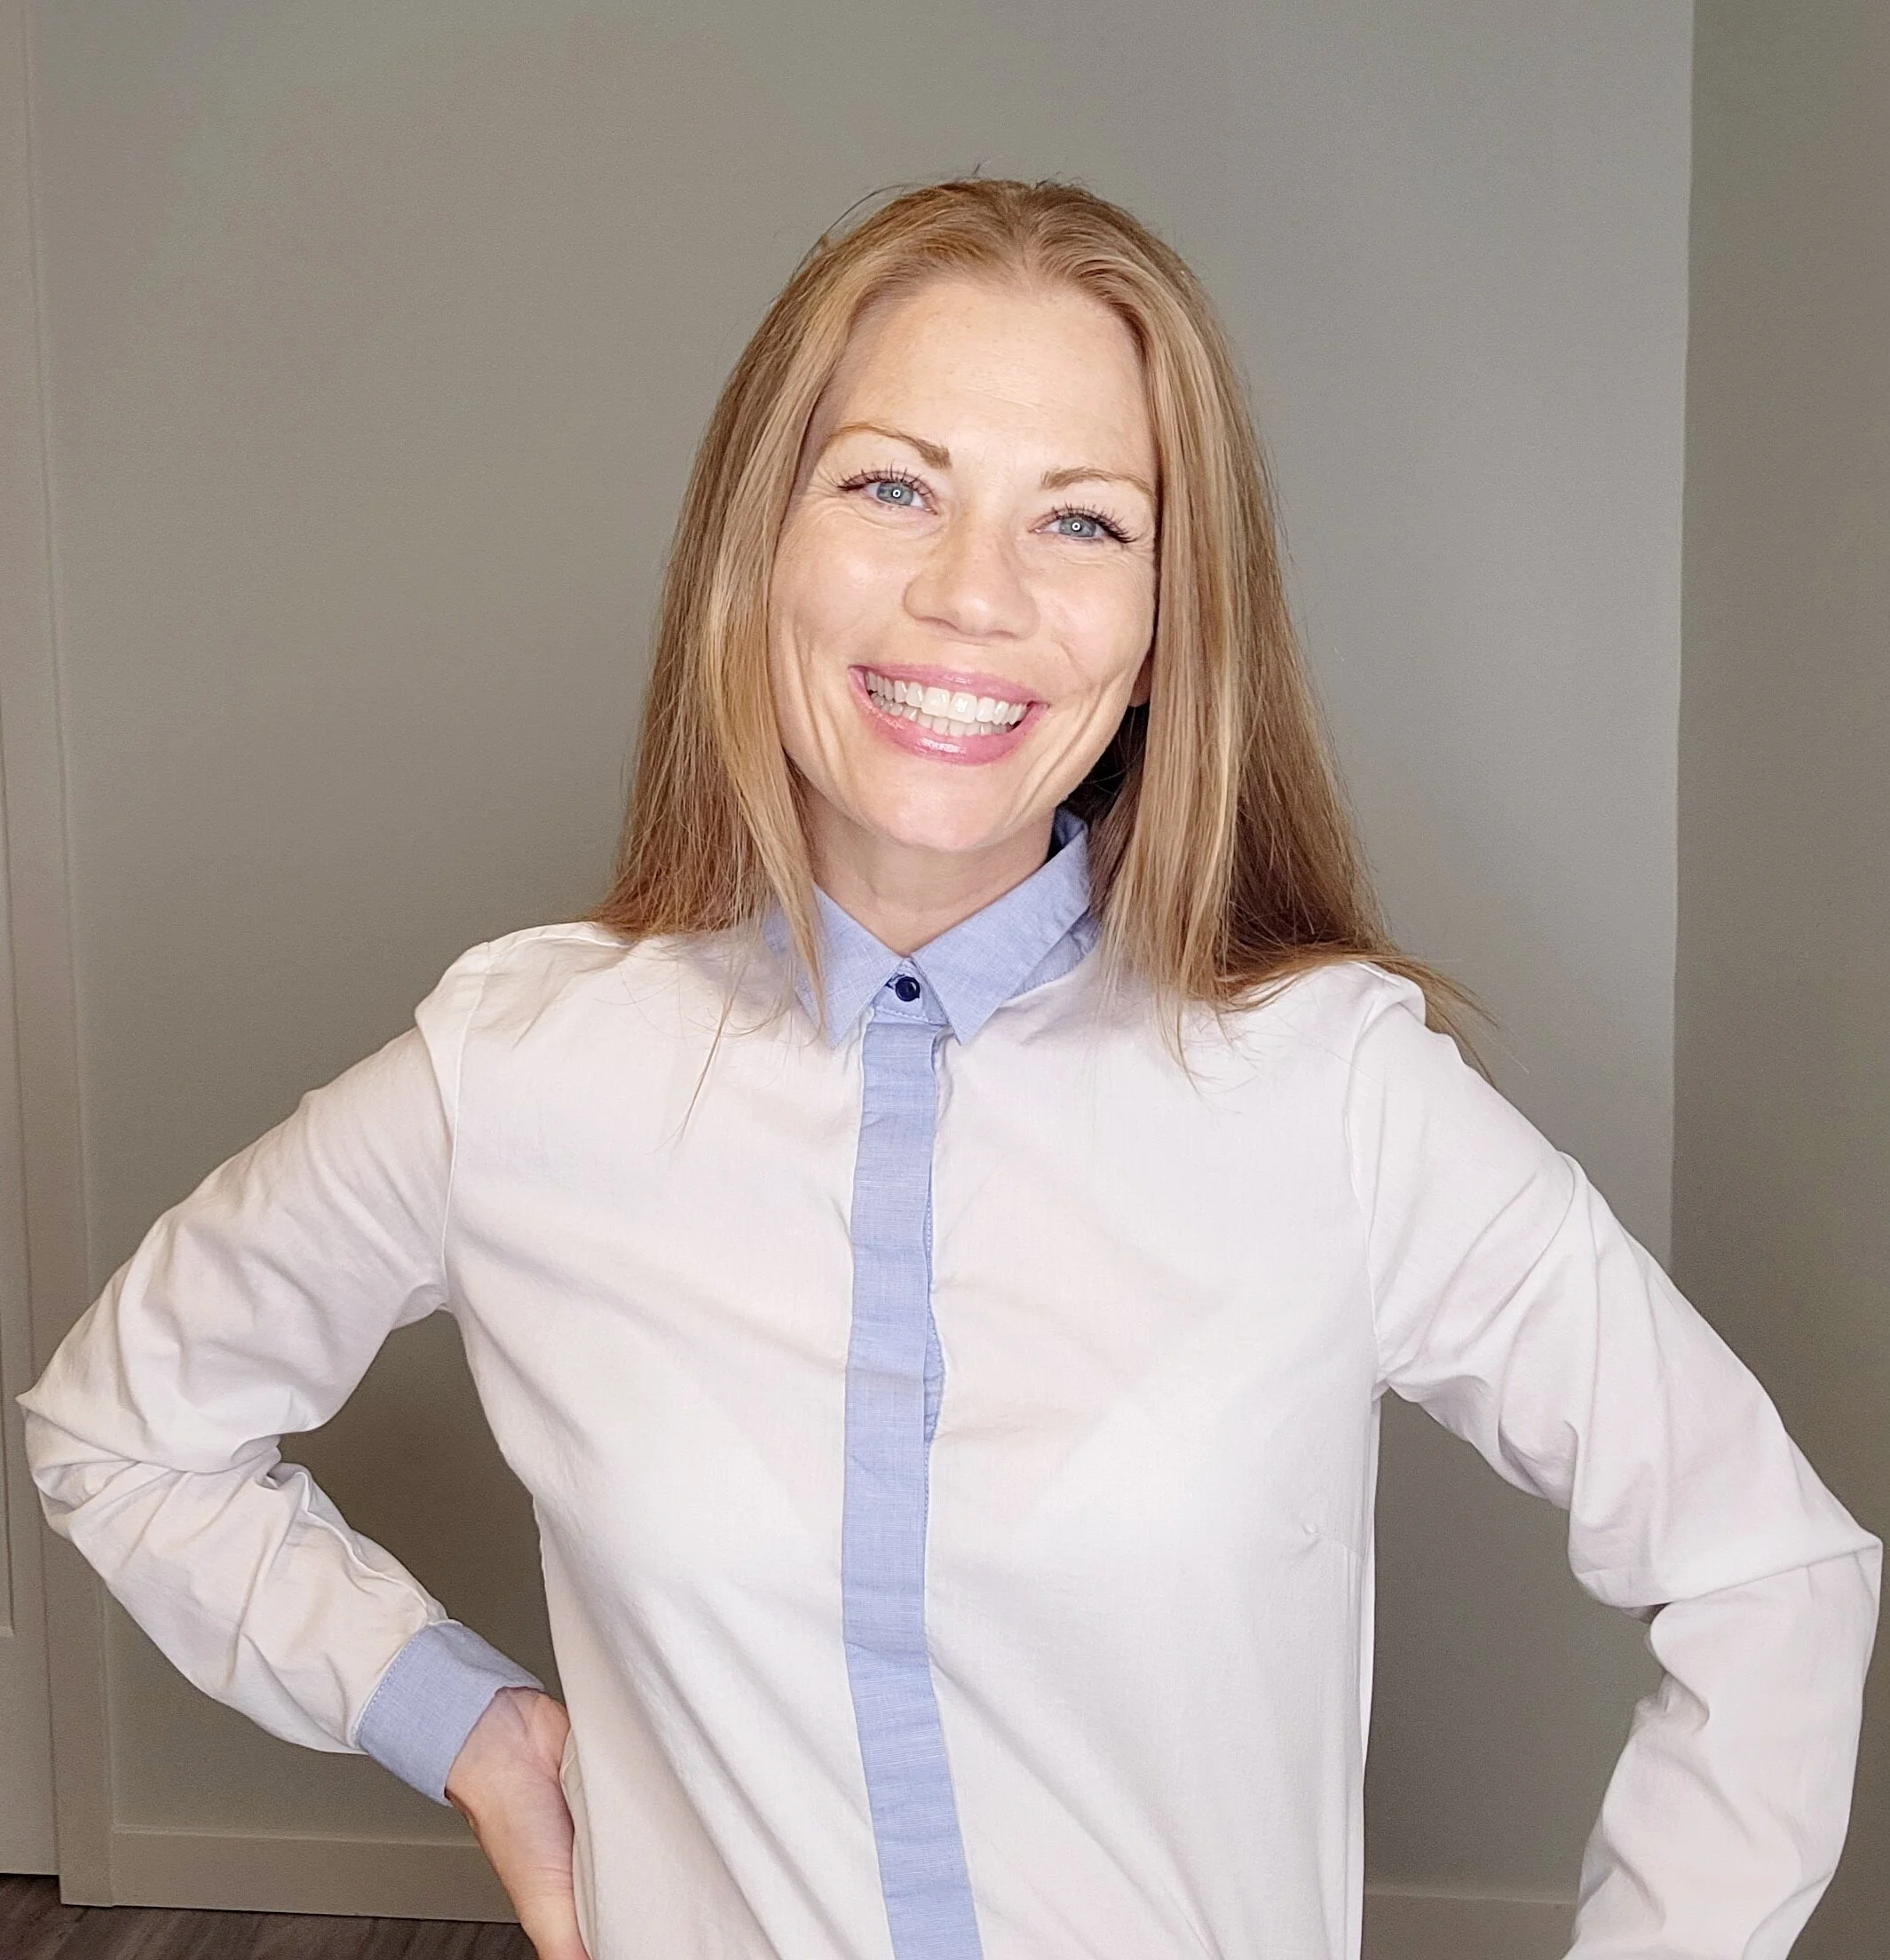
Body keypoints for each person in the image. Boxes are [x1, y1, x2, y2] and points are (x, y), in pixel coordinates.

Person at [17, 178, 1878, 1960]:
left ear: (1162, 634)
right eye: (891, 486)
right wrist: (475, 1735)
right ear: (760, 550)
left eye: (1080, 521)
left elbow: (1767, 1574)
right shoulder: (516, 1071)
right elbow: (116, 1428)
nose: (969, 596)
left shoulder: (1338, 1100)